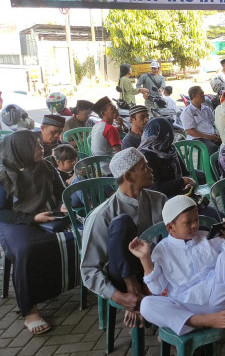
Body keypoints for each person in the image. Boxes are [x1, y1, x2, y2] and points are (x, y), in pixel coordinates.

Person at [130, 196, 225, 343]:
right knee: (146, 305)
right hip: (186, 307)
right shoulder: (161, 251)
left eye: (196, 220)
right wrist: (145, 259)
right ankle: (201, 321)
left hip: (217, 299)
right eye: (188, 222)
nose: (194, 225)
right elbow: (157, 289)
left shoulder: (207, 238)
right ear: (170, 227)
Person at [0, 130, 80, 335]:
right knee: (27, 249)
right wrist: (31, 219)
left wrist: (63, 204)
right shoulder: (4, 175)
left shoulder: (45, 166)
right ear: (21, 150)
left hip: (47, 214)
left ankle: (82, 281)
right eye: (35, 145)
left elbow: (62, 191)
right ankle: (30, 310)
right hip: (15, 221)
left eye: (38, 143)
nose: (41, 147)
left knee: (82, 233)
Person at [81, 148, 167, 329]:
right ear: (129, 176)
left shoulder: (159, 200)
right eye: (145, 168)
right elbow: (89, 270)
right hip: (121, 279)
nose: (151, 171)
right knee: (121, 224)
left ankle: (166, 326)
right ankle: (134, 290)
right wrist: (120, 297)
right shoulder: (102, 215)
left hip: (156, 272)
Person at [139, 117, 202, 197]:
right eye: (166, 134)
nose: (169, 137)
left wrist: (189, 183)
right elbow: (155, 188)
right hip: (161, 199)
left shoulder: (170, 149)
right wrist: (183, 181)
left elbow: (185, 173)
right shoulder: (146, 156)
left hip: (179, 192)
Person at [180, 86, 221, 154]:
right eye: (201, 94)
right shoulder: (187, 112)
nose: (204, 95)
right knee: (213, 148)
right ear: (194, 96)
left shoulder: (207, 109)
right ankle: (210, 164)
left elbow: (213, 124)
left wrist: (216, 135)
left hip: (211, 136)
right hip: (197, 139)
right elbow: (189, 131)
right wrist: (209, 137)